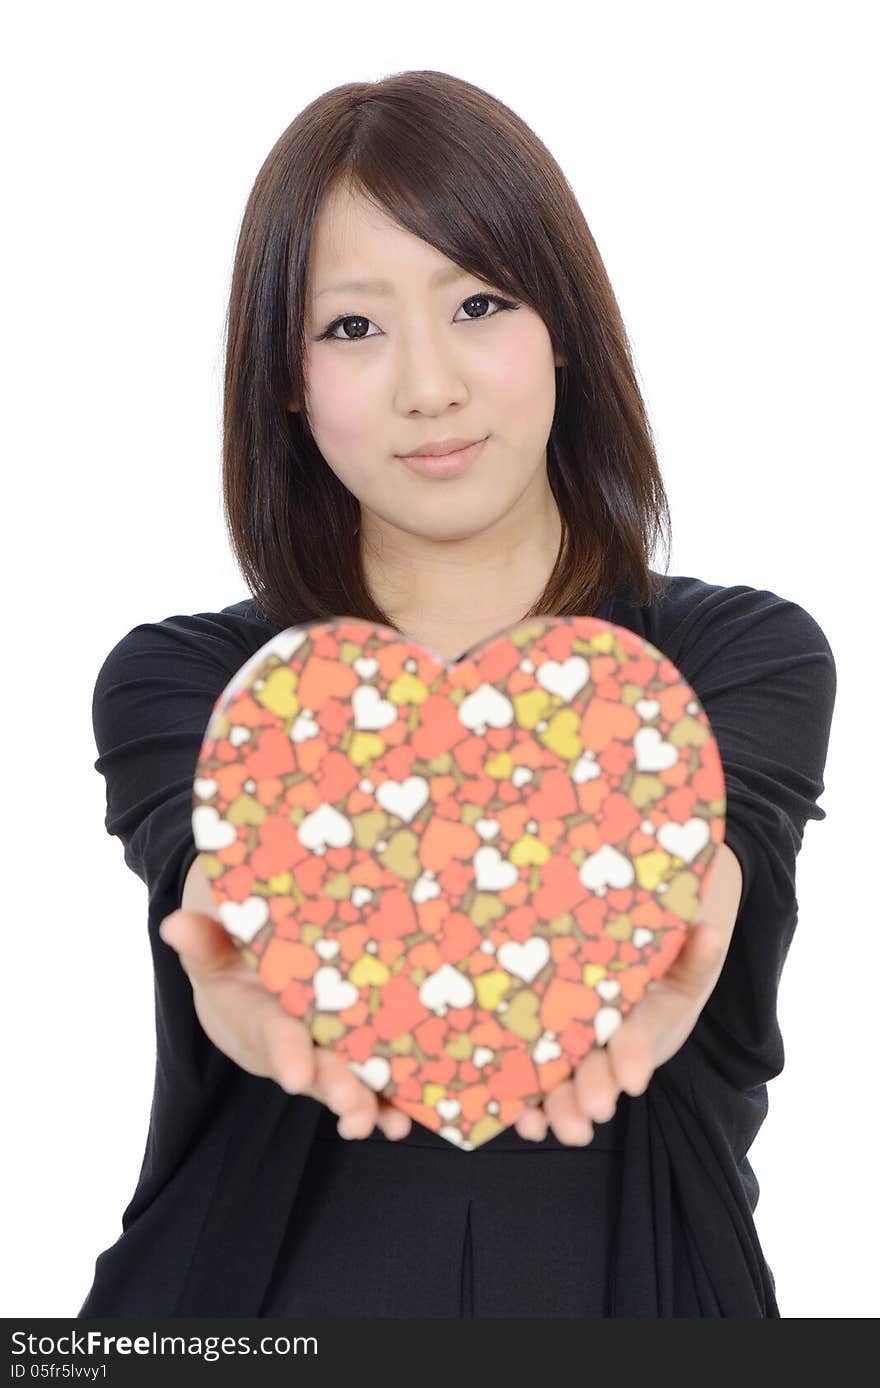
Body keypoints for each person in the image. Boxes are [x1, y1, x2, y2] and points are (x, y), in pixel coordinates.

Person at [78, 70, 836, 1318]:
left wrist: (674, 918)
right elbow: (208, 872)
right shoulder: (195, 681)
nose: (428, 385)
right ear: (284, 374)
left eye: (478, 301)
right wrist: (235, 954)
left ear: (563, 325)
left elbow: (721, 857)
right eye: (352, 327)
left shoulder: (733, 656)